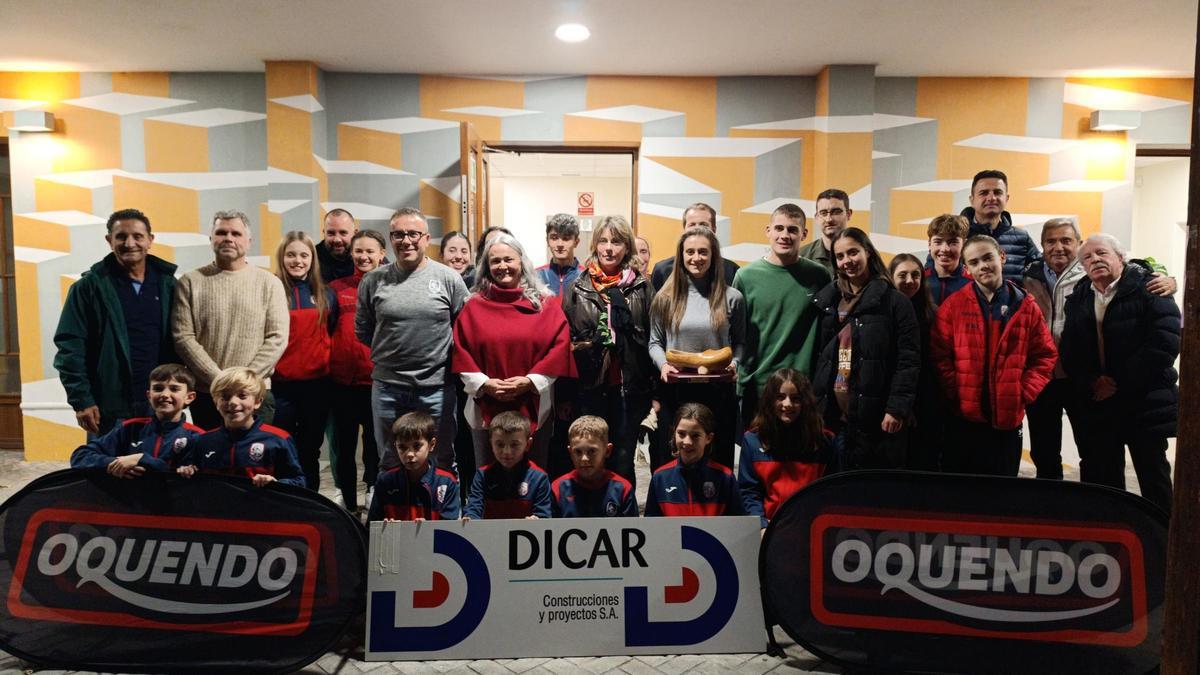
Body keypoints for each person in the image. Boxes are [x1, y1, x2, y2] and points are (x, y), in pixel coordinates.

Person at [1023, 219, 1177, 480]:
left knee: (1094, 453)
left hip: (1082, 381)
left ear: (1078, 243)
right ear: (1042, 246)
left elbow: (1132, 268)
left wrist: (1168, 278)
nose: (1058, 247)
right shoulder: (1029, 274)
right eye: (1050, 241)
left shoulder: (1091, 274)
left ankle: (1093, 502)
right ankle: (1052, 502)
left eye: (1066, 240)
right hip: (1044, 377)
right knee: (1045, 452)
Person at [1060, 234, 1179, 514]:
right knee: (1105, 481)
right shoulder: (1078, 298)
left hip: (1144, 401)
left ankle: (1162, 534)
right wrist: (1092, 381)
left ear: (1120, 256)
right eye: (1087, 258)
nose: (1095, 260)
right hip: (1101, 403)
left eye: (1101, 253)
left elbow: (1165, 343)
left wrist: (1117, 382)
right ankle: (1112, 532)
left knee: (1153, 477)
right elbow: (1070, 349)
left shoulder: (1150, 288)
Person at [931, 235, 1057, 476]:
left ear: (1002, 257)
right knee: (962, 488)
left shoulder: (1026, 306)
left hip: (1007, 420)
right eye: (974, 262)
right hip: (964, 419)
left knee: (1002, 488)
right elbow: (940, 355)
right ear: (967, 269)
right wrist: (955, 389)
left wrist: (1023, 391)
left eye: (988, 257)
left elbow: (1045, 355)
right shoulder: (953, 306)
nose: (983, 266)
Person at [356, 207, 469, 471]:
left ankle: (442, 501)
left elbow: (464, 330)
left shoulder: (449, 279)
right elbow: (364, 329)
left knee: (441, 459)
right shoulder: (373, 281)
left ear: (426, 239)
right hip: (388, 387)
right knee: (390, 460)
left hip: (436, 387)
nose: (406, 240)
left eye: (413, 234)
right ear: (391, 239)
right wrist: (394, 352)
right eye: (399, 234)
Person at [452, 233, 575, 469]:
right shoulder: (473, 305)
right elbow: (461, 350)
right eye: (495, 261)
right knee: (488, 475)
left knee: (533, 474)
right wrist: (484, 384)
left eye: (508, 259)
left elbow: (559, 348)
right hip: (484, 403)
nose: (503, 266)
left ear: (521, 261)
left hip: (535, 402)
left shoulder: (544, 304)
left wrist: (530, 381)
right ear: (486, 267)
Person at [55, 208, 178, 436]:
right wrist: (82, 400)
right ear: (109, 240)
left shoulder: (169, 286)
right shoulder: (88, 288)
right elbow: (70, 348)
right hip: (108, 407)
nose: (130, 243)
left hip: (160, 403)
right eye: (121, 236)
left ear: (150, 240)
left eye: (138, 236)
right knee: (108, 460)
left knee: (158, 459)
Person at [812, 228, 920, 471]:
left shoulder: (895, 302)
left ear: (868, 252)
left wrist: (896, 409)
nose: (847, 261)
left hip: (877, 420)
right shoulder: (828, 301)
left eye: (853, 252)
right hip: (834, 419)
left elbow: (908, 361)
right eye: (840, 256)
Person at [561, 215, 656, 488]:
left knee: (623, 459)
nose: (609, 248)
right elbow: (566, 343)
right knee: (589, 458)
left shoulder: (642, 286)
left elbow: (653, 339)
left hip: (630, 388)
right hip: (590, 387)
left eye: (616, 242)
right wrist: (566, 393)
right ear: (595, 245)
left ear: (627, 247)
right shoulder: (578, 287)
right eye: (603, 241)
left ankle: (621, 510)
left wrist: (654, 395)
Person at [172, 210, 289, 429]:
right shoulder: (189, 282)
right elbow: (183, 337)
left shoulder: (270, 283)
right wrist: (220, 382)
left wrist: (244, 381)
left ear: (249, 241)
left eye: (236, 233)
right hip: (208, 394)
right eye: (221, 233)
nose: (228, 238)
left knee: (255, 452)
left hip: (255, 394)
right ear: (211, 239)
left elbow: (277, 338)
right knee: (211, 451)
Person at [649, 225, 745, 470]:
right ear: (681, 255)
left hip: (718, 391)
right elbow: (655, 342)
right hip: (676, 391)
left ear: (713, 256)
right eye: (690, 252)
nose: (696, 258)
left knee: (717, 463)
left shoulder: (732, 297)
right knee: (673, 463)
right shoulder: (664, 298)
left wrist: (735, 364)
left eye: (703, 252)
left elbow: (740, 343)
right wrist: (664, 365)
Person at [732, 203, 831, 422]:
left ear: (804, 234)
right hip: (756, 387)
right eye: (779, 228)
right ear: (768, 231)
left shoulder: (820, 276)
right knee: (756, 445)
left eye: (792, 230)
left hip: (802, 389)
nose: (785, 235)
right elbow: (736, 334)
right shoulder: (745, 277)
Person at [271, 231, 337, 491]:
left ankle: (311, 500)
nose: (297, 261)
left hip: (317, 386)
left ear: (312, 259)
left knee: (310, 449)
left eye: (303, 255)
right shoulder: (271, 290)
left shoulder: (326, 294)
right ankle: (285, 502)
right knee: (282, 448)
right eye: (291, 255)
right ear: (282, 257)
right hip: (281, 387)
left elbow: (330, 331)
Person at [329, 230, 386, 511]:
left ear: (382, 254)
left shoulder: (390, 285)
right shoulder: (335, 288)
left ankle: (374, 488)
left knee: (375, 444)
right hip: (342, 384)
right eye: (359, 251)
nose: (364, 256)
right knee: (344, 446)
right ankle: (347, 499)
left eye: (370, 251)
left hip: (377, 381)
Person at [176, 367, 305, 488]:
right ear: (216, 403)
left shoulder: (279, 439)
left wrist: (276, 483)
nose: (233, 402)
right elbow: (192, 480)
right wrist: (186, 472)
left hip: (260, 505)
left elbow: (299, 482)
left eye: (242, 396)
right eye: (225, 397)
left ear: (258, 402)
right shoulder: (202, 441)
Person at [70, 363, 203, 475]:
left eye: (174, 389)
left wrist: (142, 459)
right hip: (127, 498)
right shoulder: (130, 428)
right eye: (158, 388)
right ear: (149, 395)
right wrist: (117, 463)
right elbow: (80, 456)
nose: (164, 394)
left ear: (189, 397)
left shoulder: (197, 437)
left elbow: (202, 475)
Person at [738, 369, 831, 529]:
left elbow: (831, 492)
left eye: (795, 399)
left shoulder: (825, 441)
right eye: (780, 397)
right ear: (770, 400)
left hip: (813, 529)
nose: (787, 404)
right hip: (769, 529)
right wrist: (761, 525)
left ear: (805, 402)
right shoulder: (752, 441)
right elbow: (749, 492)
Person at [888, 253, 942, 470]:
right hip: (893, 403)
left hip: (926, 400)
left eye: (915, 275)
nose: (910, 281)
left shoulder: (932, 314)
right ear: (891, 278)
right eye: (902, 275)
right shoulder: (884, 316)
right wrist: (902, 406)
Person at [644, 403, 742, 517]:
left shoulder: (726, 478)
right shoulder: (660, 478)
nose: (687, 442)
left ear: (708, 438)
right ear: (674, 434)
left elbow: (738, 523)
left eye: (695, 435)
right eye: (681, 434)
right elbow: (651, 524)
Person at [367, 411, 461, 522]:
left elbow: (450, 528)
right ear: (395, 447)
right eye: (402, 447)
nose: (410, 454)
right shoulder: (385, 482)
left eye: (417, 446)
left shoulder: (447, 482)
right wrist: (386, 527)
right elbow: (371, 527)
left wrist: (427, 529)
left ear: (431, 444)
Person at [463, 411, 552, 519]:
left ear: (528, 444)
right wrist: (470, 518)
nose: (507, 452)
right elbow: (473, 509)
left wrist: (537, 520)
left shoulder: (539, 478)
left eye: (514, 445)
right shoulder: (482, 475)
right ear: (491, 443)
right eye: (500, 444)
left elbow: (543, 516)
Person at [550, 415, 638, 518]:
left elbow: (634, 526)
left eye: (592, 451)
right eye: (578, 452)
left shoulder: (623, 489)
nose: (584, 458)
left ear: (607, 451)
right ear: (570, 452)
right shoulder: (558, 488)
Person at [961, 170, 1040, 282]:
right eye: (984, 193)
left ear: (1006, 198)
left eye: (997, 192)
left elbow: (1042, 272)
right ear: (972, 200)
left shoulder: (1022, 237)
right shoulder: (957, 237)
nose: (991, 198)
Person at [650, 203, 740, 290]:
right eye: (692, 225)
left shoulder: (731, 270)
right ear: (684, 229)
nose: (697, 229)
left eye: (703, 225)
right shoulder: (662, 270)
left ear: (714, 229)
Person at [923, 214, 972, 310]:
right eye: (938, 242)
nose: (945, 249)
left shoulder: (974, 282)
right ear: (929, 244)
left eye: (953, 242)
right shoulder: (920, 281)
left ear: (964, 245)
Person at [798, 188, 852, 272]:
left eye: (836, 212)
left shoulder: (864, 255)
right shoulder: (801, 257)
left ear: (848, 214)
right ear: (816, 217)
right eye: (823, 213)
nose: (829, 219)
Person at [536, 213, 584, 296]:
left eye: (566, 238)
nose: (560, 244)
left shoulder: (586, 277)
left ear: (576, 242)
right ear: (547, 241)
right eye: (554, 238)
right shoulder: (536, 276)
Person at [317, 208, 358, 283]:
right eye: (331, 233)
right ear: (324, 233)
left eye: (343, 233)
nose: (337, 240)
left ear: (355, 233)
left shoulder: (366, 258)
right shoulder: (311, 258)